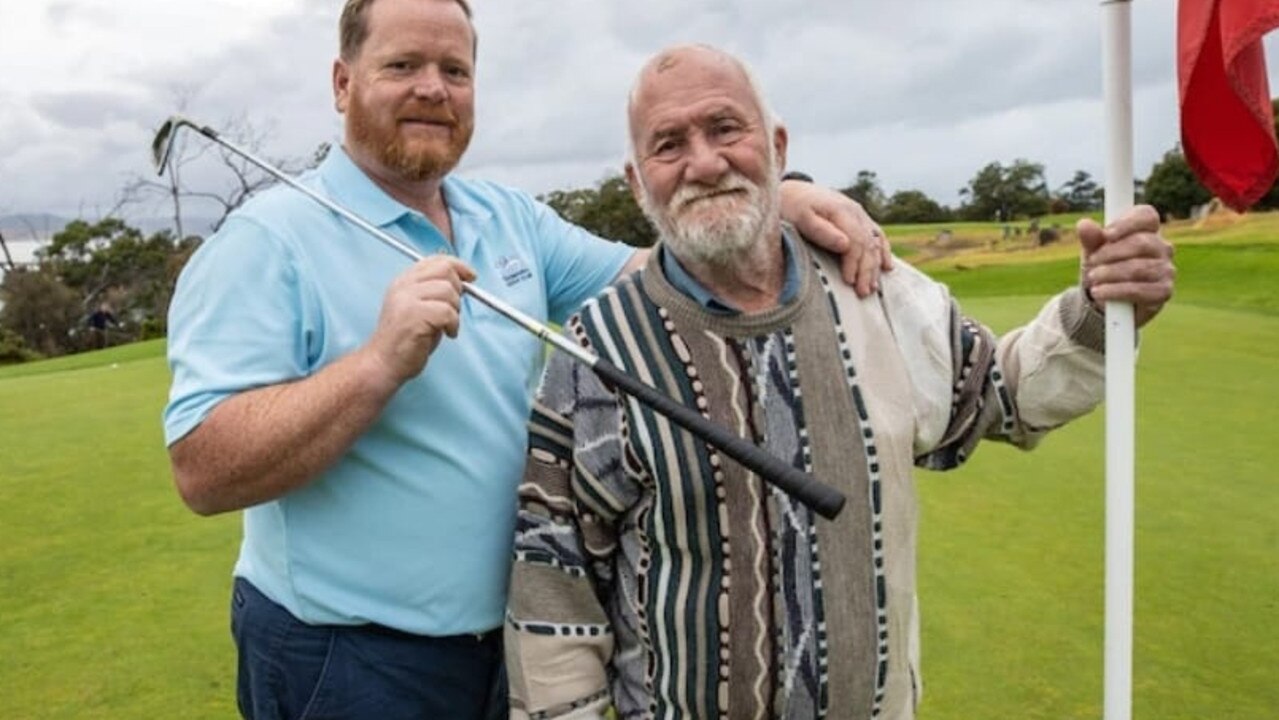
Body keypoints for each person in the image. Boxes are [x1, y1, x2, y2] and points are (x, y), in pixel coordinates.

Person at [161, 2, 887, 718]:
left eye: (454, 69)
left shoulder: (505, 219)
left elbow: (664, 278)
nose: (432, 89)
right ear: (343, 83)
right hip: (348, 660)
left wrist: (764, 197)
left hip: (507, 652)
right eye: (402, 65)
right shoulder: (264, 241)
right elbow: (203, 468)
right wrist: (377, 365)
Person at [504, 44, 1175, 720]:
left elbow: (1001, 394)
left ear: (775, 143)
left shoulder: (874, 291)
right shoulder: (595, 351)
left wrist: (1101, 308)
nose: (703, 163)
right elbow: (552, 585)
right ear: (635, 181)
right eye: (668, 144)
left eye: (725, 128)